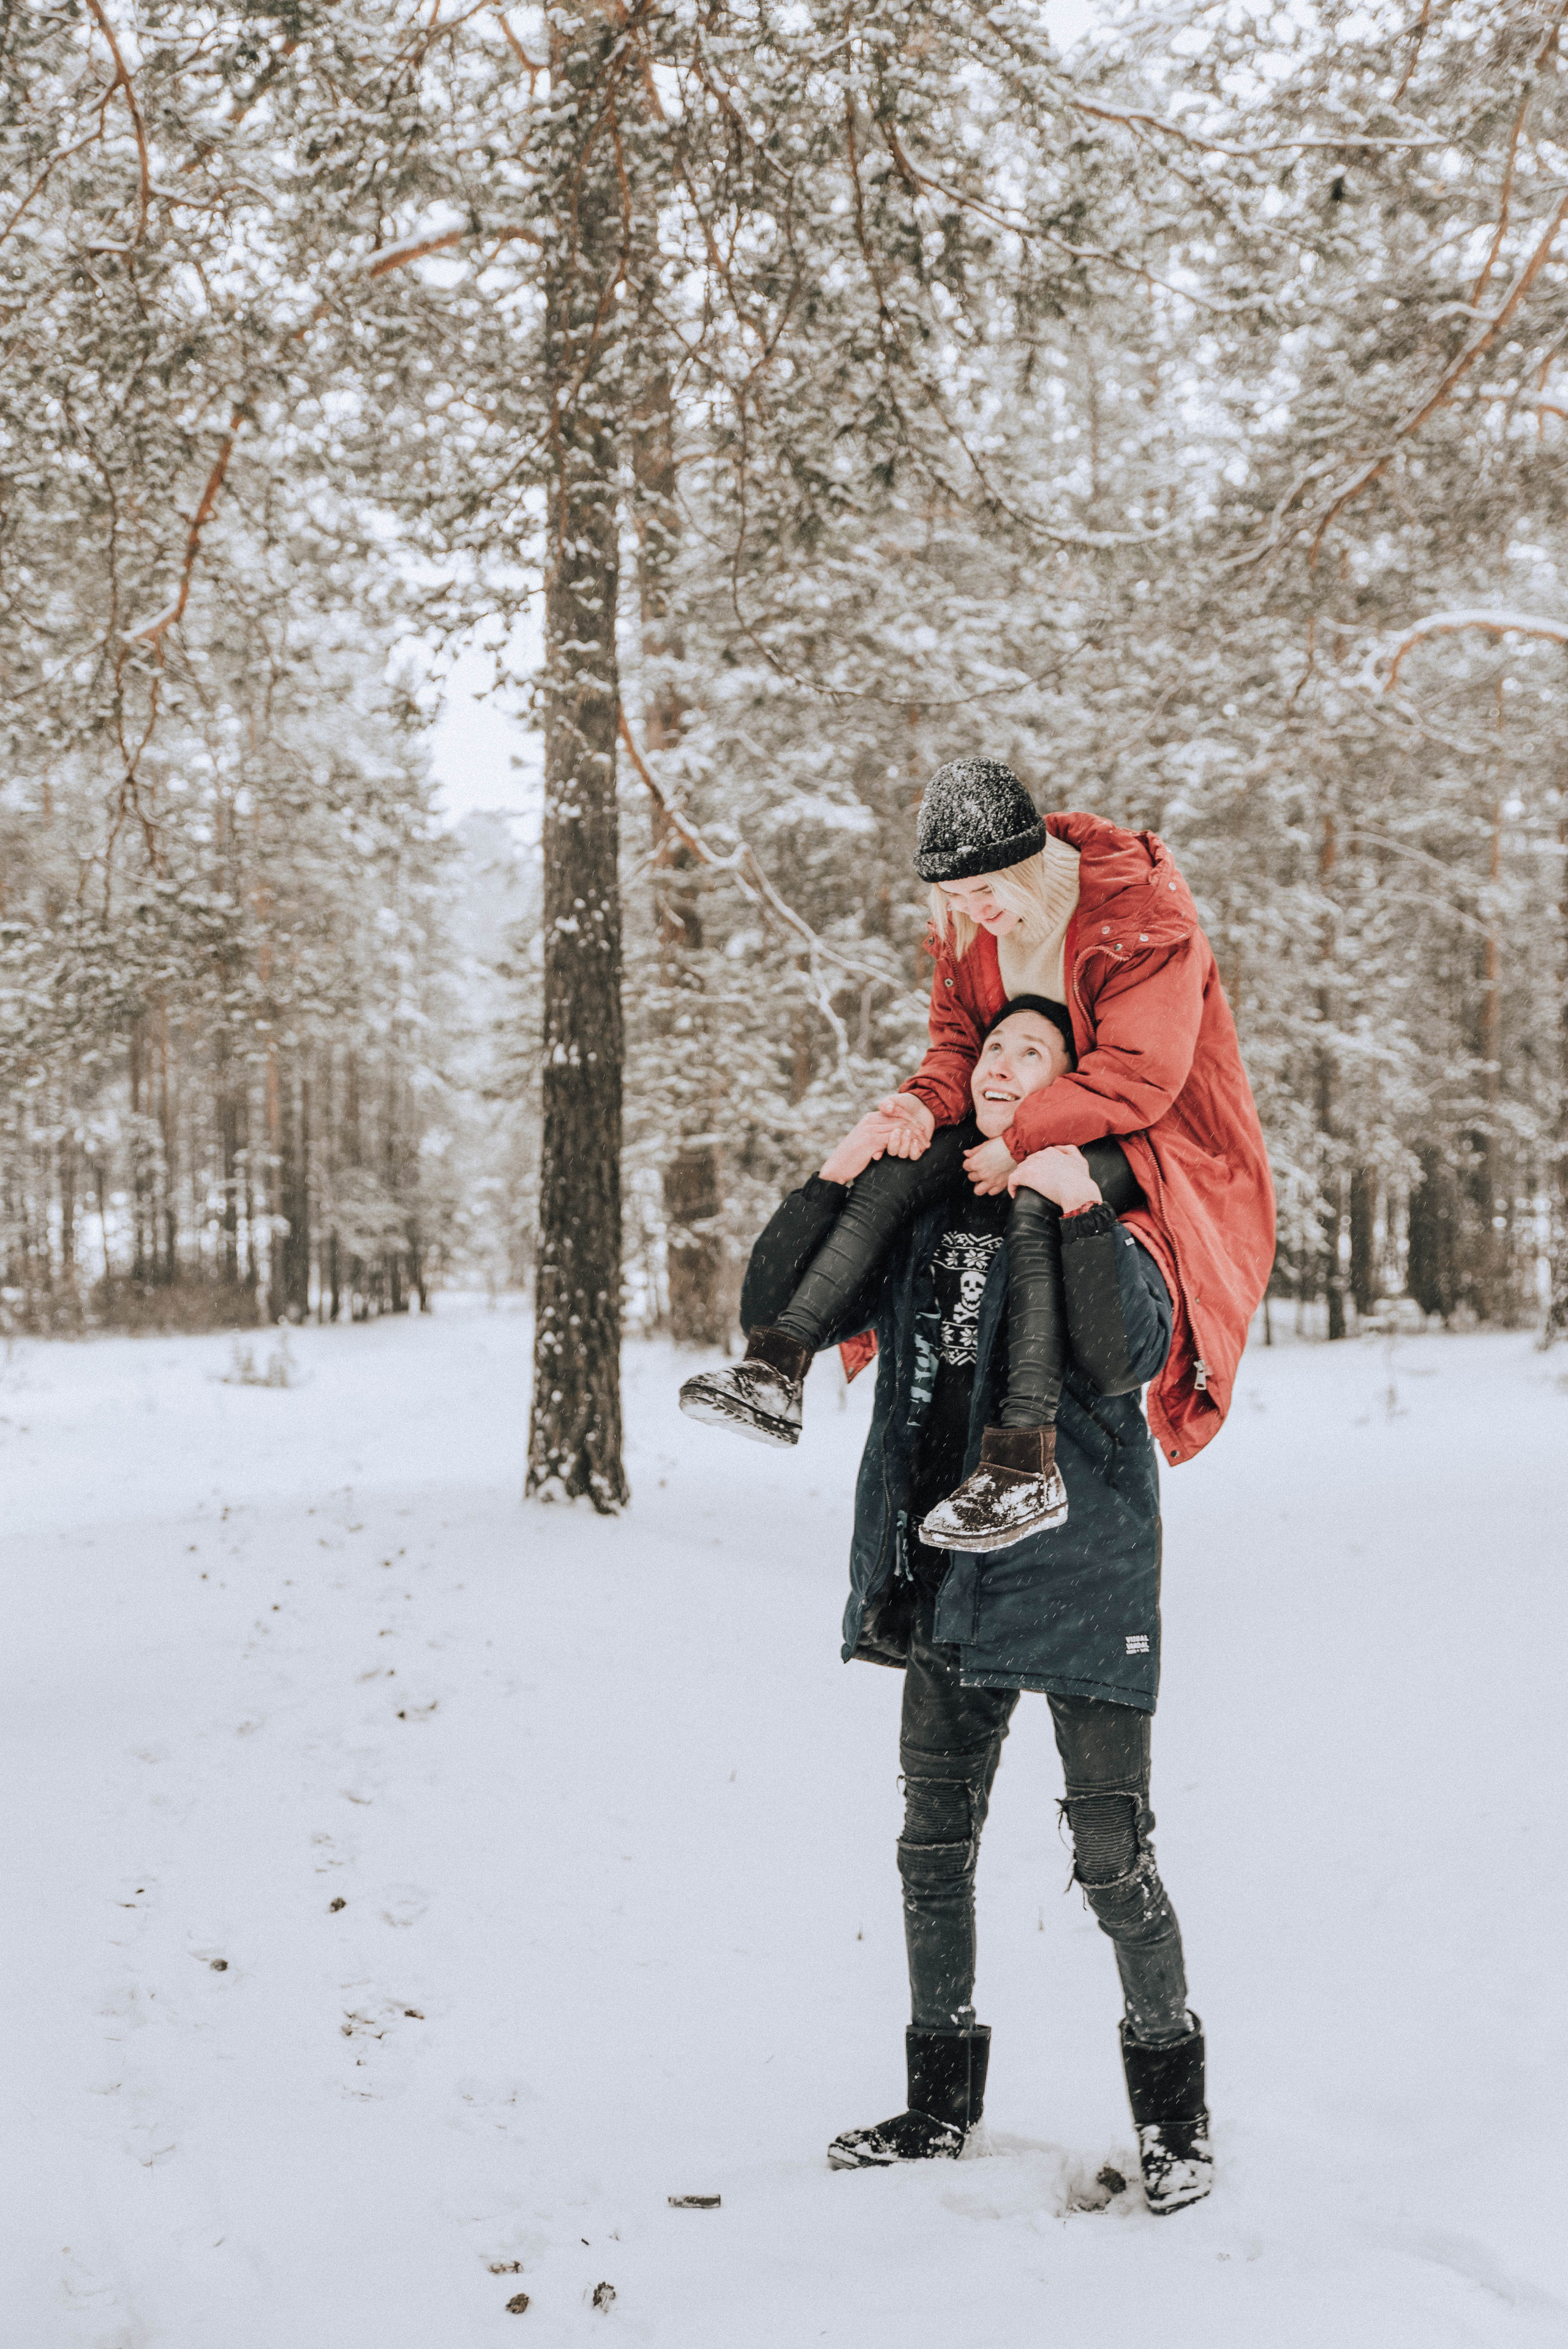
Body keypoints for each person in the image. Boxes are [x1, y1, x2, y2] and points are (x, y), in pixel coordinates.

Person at [737, 1003, 1212, 2214]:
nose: (1001, 1068)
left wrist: (1082, 1206)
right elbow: (781, 1302)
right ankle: (938, 2106)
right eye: (990, 1050)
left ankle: (1175, 2122)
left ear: (1072, 1091)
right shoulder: (925, 1205)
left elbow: (1119, 1359)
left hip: (1082, 1574)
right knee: (931, 1848)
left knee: (1110, 1858)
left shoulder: (1105, 1201)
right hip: (949, 1565)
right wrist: (839, 1167)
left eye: (1032, 1058)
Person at [679, 758, 1275, 1551]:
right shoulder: (971, 927)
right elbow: (960, 1044)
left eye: (985, 892)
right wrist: (924, 1107)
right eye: (954, 899)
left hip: (1155, 1136)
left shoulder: (1136, 914)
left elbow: (1141, 1073)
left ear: (1028, 864)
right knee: (897, 1172)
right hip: (1027, 1108)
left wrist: (1018, 1143)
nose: (973, 913)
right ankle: (777, 1365)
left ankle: (1023, 1465)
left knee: (1038, 1191)